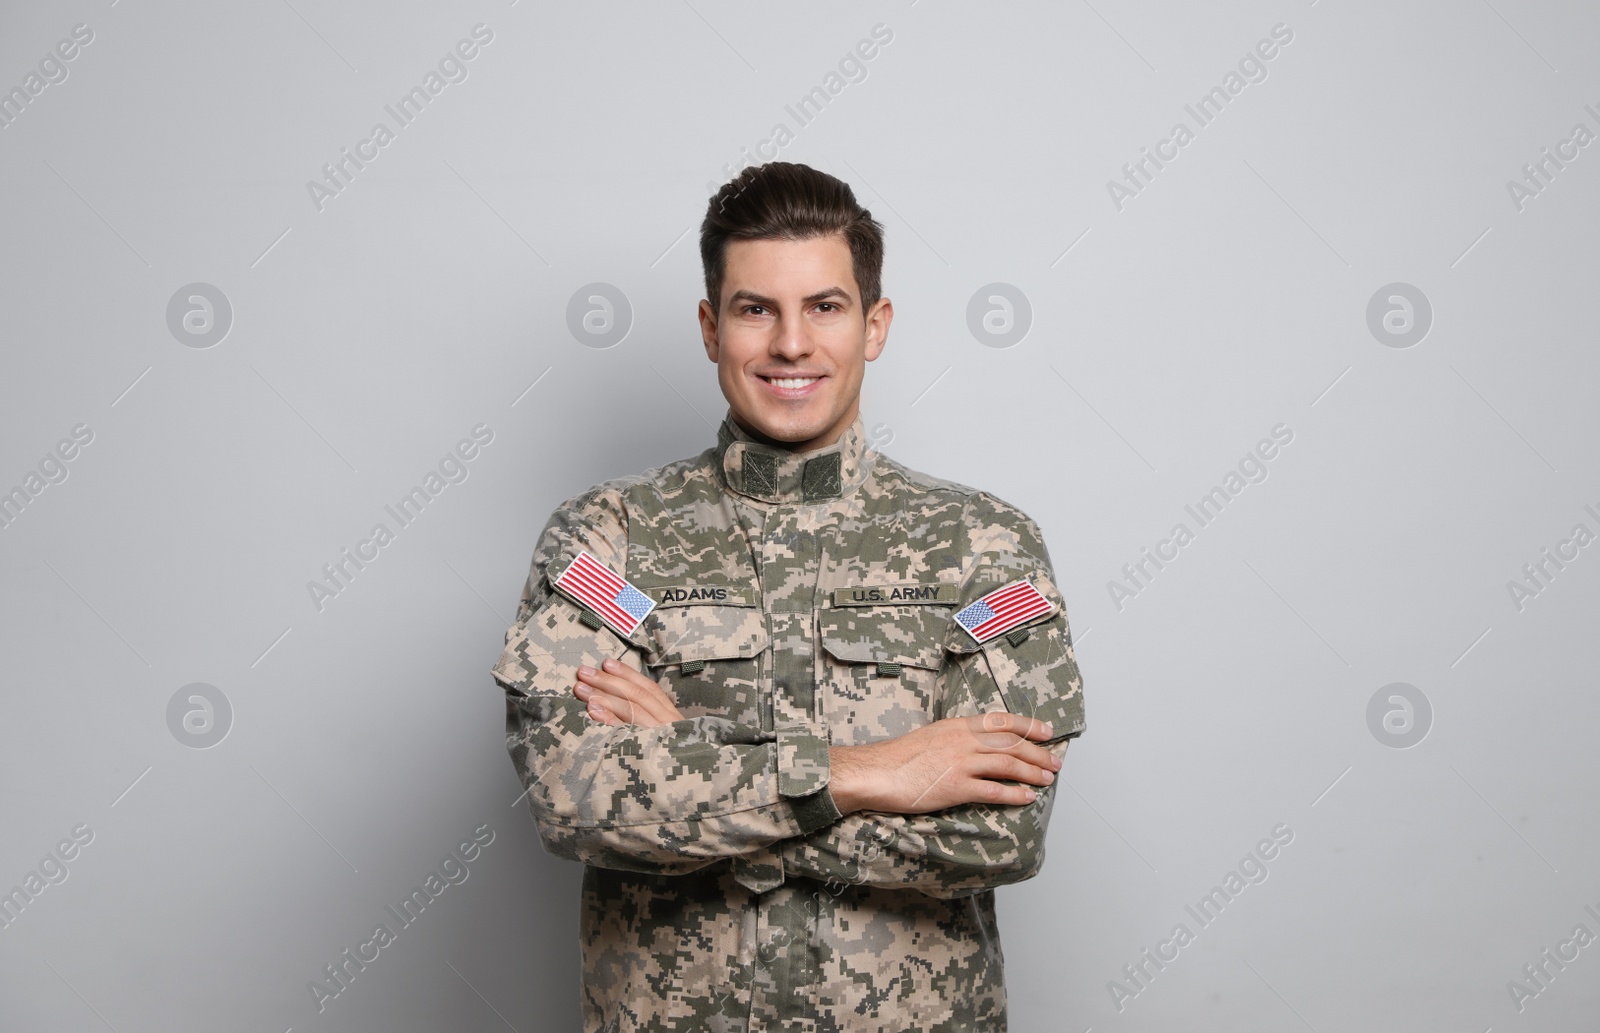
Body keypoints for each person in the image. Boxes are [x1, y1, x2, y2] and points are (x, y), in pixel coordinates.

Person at [492, 160, 1086, 1032]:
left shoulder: (983, 544)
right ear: (710, 326)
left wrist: (691, 761)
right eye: (755, 308)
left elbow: (1001, 833)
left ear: (874, 324)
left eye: (825, 306)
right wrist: (877, 771)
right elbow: (574, 795)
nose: (792, 345)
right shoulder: (606, 539)